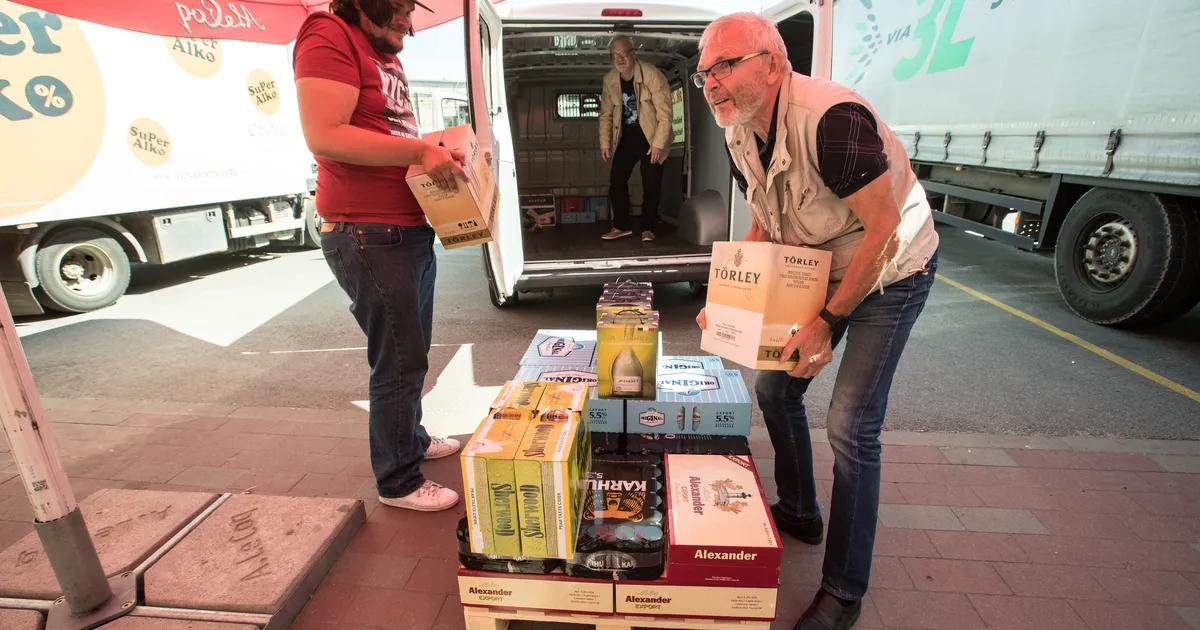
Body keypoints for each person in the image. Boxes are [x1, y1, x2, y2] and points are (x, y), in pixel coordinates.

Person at [693, 13, 940, 629]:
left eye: (725, 66)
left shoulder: (833, 121)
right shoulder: (739, 128)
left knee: (852, 425)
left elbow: (884, 229)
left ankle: (843, 592)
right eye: (704, 73)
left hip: (891, 269)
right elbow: (765, 222)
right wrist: (728, 299)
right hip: (822, 264)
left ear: (772, 63)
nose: (711, 83)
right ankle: (801, 510)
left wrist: (828, 322)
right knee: (775, 387)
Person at [293, 0, 466, 512]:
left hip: (404, 227)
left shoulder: (377, 50)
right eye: (398, 14)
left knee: (411, 351)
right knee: (397, 359)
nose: (409, 27)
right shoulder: (328, 34)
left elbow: (386, 131)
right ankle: (398, 481)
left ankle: (409, 439)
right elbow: (324, 133)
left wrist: (432, 148)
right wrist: (418, 152)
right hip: (368, 232)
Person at [598, 35, 674, 242]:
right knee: (616, 181)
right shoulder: (610, 80)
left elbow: (665, 114)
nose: (620, 59)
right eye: (615, 55)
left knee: (651, 184)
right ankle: (621, 226)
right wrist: (605, 143)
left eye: (624, 54)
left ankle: (648, 228)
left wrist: (658, 143)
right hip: (626, 137)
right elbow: (605, 114)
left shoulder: (651, 75)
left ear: (633, 54)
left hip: (651, 137)